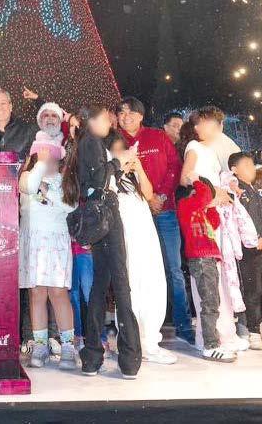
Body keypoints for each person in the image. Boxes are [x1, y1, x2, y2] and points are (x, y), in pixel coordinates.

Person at [63, 105, 142, 379]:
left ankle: (93, 357)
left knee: (100, 284)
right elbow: (99, 180)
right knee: (120, 283)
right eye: (106, 119)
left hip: (99, 216)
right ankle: (129, 359)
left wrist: (118, 167)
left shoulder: (86, 143)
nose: (110, 124)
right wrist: (119, 161)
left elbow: (96, 181)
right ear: (93, 121)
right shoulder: (92, 141)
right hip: (107, 214)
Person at [117, 97, 193, 344]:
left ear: (141, 116)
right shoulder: (116, 141)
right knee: (137, 270)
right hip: (134, 215)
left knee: (173, 269)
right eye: (121, 113)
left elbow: (174, 167)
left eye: (131, 112)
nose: (126, 117)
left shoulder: (157, 136)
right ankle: (138, 328)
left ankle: (182, 325)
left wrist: (160, 195)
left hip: (164, 210)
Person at [180, 108, 250, 352]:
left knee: (219, 275)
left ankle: (225, 332)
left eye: (206, 123)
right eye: (198, 124)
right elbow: (186, 178)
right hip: (203, 217)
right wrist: (212, 192)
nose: (199, 128)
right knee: (207, 278)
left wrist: (226, 188)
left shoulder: (210, 151)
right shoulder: (194, 147)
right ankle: (209, 336)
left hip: (214, 215)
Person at [108, 131, 176, 364]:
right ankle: (131, 341)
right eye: (117, 150)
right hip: (126, 238)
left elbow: (148, 194)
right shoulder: (108, 177)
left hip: (146, 235)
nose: (123, 154)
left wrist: (138, 169)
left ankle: (150, 341)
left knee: (153, 282)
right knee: (132, 287)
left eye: (124, 149)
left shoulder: (133, 175)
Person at [19, 130, 76, 370]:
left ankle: (68, 346)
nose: (49, 162)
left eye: (52, 158)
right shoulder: (26, 176)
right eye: (43, 157)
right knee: (37, 293)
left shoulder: (63, 180)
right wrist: (39, 167)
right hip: (33, 243)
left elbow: (70, 206)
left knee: (58, 292)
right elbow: (30, 186)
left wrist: (49, 191)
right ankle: (40, 345)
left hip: (55, 243)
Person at [177, 174, 236, 362]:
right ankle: (210, 346)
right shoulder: (185, 205)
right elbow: (203, 195)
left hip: (209, 258)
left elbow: (214, 223)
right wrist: (196, 180)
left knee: (213, 301)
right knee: (209, 302)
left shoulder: (200, 208)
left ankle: (212, 341)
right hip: (201, 259)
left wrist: (211, 208)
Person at [229, 152, 262, 350]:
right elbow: (241, 221)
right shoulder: (235, 192)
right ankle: (253, 330)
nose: (252, 168)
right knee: (253, 289)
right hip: (250, 249)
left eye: (252, 164)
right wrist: (256, 237)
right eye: (246, 165)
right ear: (234, 170)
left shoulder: (259, 191)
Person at [0, 86, 38, 160]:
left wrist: (38, 99)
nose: (0, 107)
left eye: (3, 103)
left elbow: (48, 128)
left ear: (10, 107)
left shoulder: (27, 130)